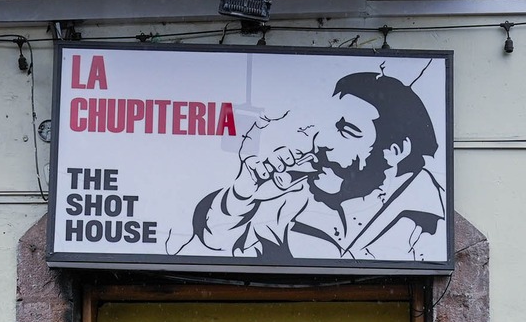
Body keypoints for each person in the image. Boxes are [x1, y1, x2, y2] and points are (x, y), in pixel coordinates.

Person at [175, 71, 446, 264]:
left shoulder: (432, 222)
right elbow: (212, 244)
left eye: (347, 131)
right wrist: (242, 196)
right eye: (326, 126)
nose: (321, 142)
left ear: (395, 151)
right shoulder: (293, 196)